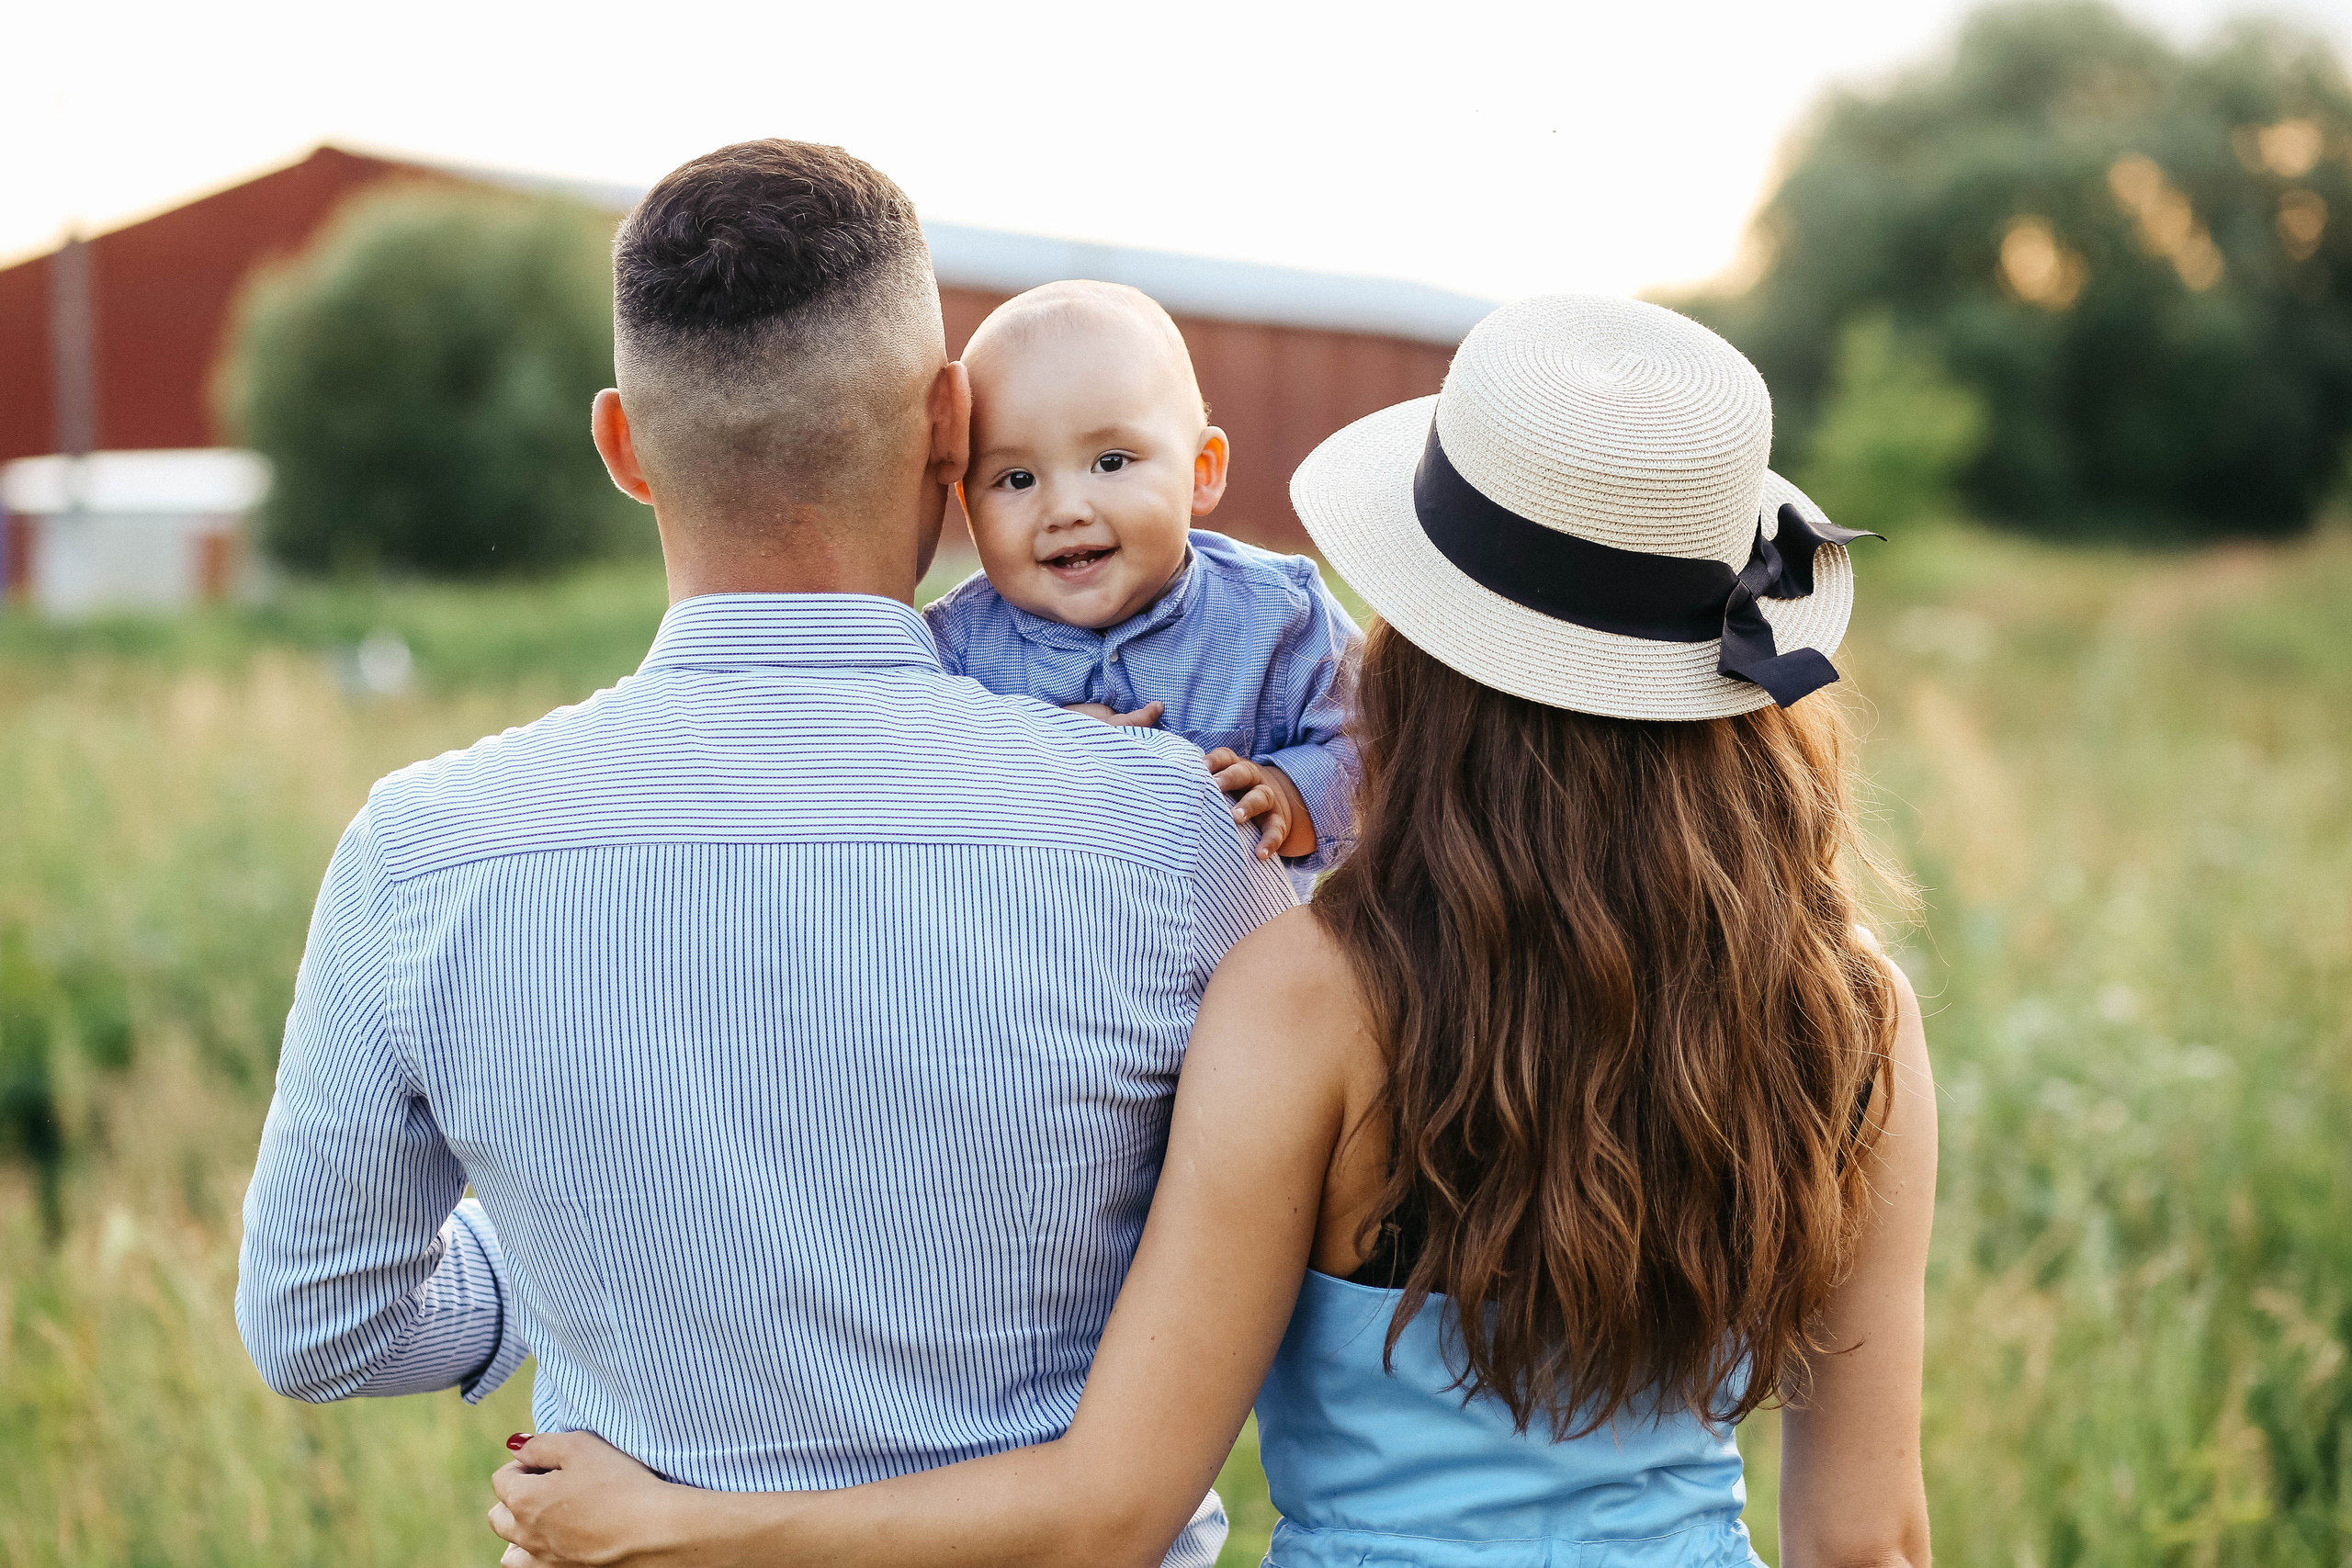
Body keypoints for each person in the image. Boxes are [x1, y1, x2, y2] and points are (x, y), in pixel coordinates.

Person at [488, 295, 1938, 1568]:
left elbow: (1108, 1510)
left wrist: (671, 1526)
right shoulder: (1851, 1006)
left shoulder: (1321, 994)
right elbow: (1866, 1540)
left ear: (1419, 644)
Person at [233, 139, 1295, 1568]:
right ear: (947, 423)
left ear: (622, 446)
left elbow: (315, 1325)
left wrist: (561, 1248)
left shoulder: (422, 857)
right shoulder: (1177, 831)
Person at [923, 280, 1362, 892]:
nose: (1065, 509)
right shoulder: (952, 649)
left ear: (1201, 472)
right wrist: (1028, 755)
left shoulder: (1282, 617)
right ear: (967, 504)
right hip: (1029, 943)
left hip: (1232, 946)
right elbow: (912, 791)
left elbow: (1380, 752)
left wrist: (1290, 794)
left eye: (1110, 462)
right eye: (1017, 478)